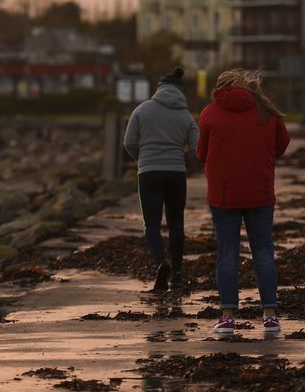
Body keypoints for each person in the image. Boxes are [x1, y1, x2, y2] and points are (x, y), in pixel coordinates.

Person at [196, 69, 290, 335]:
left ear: (221, 88)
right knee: (263, 251)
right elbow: (282, 144)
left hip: (223, 195)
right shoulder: (266, 111)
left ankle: (227, 318)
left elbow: (202, 153)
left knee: (228, 252)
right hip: (260, 193)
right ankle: (270, 316)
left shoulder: (210, 113)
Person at [123, 66, 200, 291]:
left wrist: (142, 160)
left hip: (148, 173)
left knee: (152, 225)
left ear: (159, 88)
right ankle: (177, 274)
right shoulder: (186, 116)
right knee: (176, 223)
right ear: (180, 91)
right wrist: (181, 156)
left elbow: (129, 142)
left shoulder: (142, 110)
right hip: (176, 173)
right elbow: (197, 148)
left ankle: (160, 262)